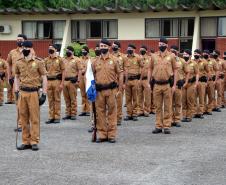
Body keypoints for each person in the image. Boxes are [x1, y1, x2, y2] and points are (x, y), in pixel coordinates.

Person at [14, 41, 47, 151]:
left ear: (31, 48)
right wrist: (16, 90)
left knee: (34, 118)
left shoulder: (38, 62)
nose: (25, 49)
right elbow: (16, 77)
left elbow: (44, 77)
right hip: (22, 93)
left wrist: (44, 94)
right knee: (23, 118)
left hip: (34, 92)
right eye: (24, 47)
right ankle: (25, 141)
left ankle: (34, 141)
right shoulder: (18, 62)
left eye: (27, 47)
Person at [92, 39, 123, 143]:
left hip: (111, 90)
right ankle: (102, 134)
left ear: (109, 47)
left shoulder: (114, 60)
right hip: (99, 91)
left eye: (105, 46)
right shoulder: (95, 61)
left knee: (112, 113)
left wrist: (120, 88)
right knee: (100, 113)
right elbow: (91, 76)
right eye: (101, 46)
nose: (103, 48)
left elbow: (120, 74)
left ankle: (111, 135)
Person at [148, 37, 178, 134]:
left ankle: (166, 126)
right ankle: (158, 126)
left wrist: (174, 85)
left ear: (167, 45)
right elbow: (150, 69)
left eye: (163, 44)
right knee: (158, 106)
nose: (161, 45)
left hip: (167, 85)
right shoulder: (153, 56)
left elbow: (175, 70)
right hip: (156, 84)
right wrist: (149, 82)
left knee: (168, 106)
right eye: (160, 44)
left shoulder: (172, 56)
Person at [44, 44, 65, 124]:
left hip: (57, 81)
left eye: (52, 48)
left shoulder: (60, 60)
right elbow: (44, 72)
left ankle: (57, 116)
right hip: (49, 81)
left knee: (57, 99)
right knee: (50, 100)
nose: (50, 50)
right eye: (49, 48)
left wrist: (62, 83)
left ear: (56, 50)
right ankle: (51, 117)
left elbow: (63, 71)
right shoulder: (46, 60)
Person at [170, 45, 189, 127]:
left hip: (178, 85)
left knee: (178, 104)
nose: (172, 51)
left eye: (174, 50)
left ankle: (177, 120)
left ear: (177, 52)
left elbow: (187, 72)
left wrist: (185, 82)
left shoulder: (182, 61)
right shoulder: (167, 60)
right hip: (169, 85)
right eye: (171, 50)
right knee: (169, 104)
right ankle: (170, 120)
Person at [124, 44, 142, 121]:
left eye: (131, 48)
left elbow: (143, 68)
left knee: (135, 98)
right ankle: (129, 114)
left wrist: (140, 79)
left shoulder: (138, 57)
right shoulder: (124, 58)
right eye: (128, 48)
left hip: (135, 80)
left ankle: (134, 114)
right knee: (128, 98)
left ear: (134, 49)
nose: (129, 49)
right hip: (127, 81)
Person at [62, 46, 80, 120]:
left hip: (72, 81)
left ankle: (73, 113)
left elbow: (80, 70)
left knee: (73, 98)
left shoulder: (76, 60)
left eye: (69, 50)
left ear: (72, 51)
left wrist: (77, 80)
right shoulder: (63, 60)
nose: (67, 51)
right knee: (66, 99)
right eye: (66, 50)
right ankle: (68, 113)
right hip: (65, 81)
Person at [181, 49, 199, 122]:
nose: (185, 56)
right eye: (184, 54)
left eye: (186, 54)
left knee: (189, 100)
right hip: (183, 84)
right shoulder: (181, 63)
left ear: (190, 56)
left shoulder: (194, 63)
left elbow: (197, 73)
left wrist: (196, 84)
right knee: (183, 100)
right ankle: (184, 116)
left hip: (191, 84)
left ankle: (189, 116)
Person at [111, 41, 125, 125]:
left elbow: (125, 71)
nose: (113, 47)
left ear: (119, 48)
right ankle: (112, 118)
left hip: (119, 82)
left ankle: (118, 118)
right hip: (111, 83)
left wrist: (123, 83)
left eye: (115, 46)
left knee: (119, 102)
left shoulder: (123, 57)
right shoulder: (109, 56)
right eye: (113, 46)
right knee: (111, 102)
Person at [193, 49, 209, 119]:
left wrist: (207, 82)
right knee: (194, 97)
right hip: (194, 82)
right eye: (194, 53)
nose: (195, 54)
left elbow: (208, 72)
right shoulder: (192, 61)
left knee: (201, 97)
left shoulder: (204, 62)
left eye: (196, 53)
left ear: (200, 54)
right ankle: (195, 112)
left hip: (202, 82)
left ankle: (200, 112)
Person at [138, 45, 152, 117]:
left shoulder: (149, 58)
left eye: (143, 49)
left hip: (146, 79)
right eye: (140, 49)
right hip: (139, 79)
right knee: (139, 95)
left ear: (146, 51)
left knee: (147, 96)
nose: (141, 51)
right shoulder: (138, 58)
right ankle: (140, 110)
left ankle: (147, 110)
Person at [203, 50, 218, 115]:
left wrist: (215, 80)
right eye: (204, 53)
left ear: (209, 54)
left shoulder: (213, 61)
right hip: (203, 81)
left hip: (210, 81)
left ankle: (209, 109)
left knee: (211, 95)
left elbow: (217, 70)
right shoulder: (201, 61)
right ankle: (203, 109)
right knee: (203, 96)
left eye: (206, 53)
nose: (205, 54)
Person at [78, 46, 91, 116]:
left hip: (88, 78)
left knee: (88, 94)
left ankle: (88, 110)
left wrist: (84, 70)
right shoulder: (80, 59)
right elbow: (79, 69)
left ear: (87, 51)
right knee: (83, 95)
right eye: (82, 50)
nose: (83, 52)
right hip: (82, 78)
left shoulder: (90, 59)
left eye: (84, 51)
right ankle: (83, 110)